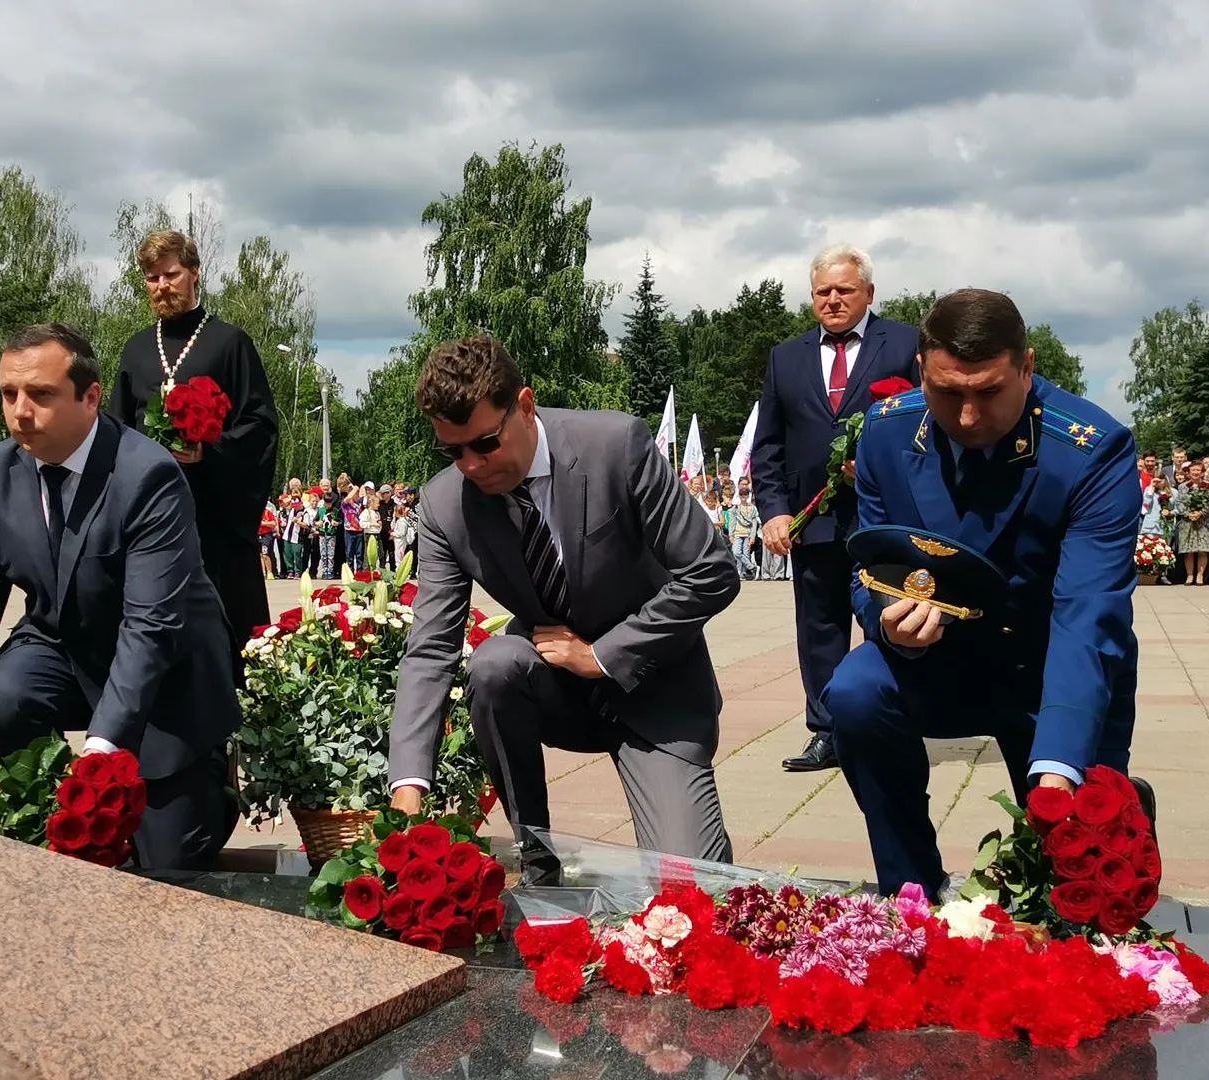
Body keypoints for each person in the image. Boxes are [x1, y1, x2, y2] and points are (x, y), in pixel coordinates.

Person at [821, 288, 1147, 895]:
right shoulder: (887, 436)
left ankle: (1104, 800)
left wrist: (1059, 768)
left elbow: (1088, 615)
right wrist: (888, 619)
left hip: (1050, 669)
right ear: (921, 371)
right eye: (948, 393)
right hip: (938, 663)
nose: (968, 417)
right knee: (857, 691)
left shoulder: (1090, 451)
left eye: (989, 392)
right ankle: (910, 888)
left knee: (1079, 893)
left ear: (1027, 367)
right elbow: (870, 565)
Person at [386, 336, 742, 874]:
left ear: (525, 406)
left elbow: (712, 571)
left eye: (484, 443)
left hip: (657, 693)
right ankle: (536, 851)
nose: (471, 466)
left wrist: (600, 656)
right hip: (552, 691)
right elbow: (431, 647)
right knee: (493, 664)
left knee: (692, 894)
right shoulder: (443, 507)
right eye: (451, 451)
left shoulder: (617, 445)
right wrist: (408, 782)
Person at [0, 323, 241, 870]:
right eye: (8, 394)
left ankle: (207, 779)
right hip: (60, 646)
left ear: (90, 398)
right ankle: (44, 809)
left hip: (166, 677)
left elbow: (150, 628)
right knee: (3, 699)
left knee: (166, 862)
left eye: (41, 395)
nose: (20, 411)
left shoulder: (147, 474)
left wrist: (100, 757)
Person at [750, 245, 920, 774]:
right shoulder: (786, 357)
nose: (833, 299)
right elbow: (768, 445)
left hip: (882, 517)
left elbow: (925, 426)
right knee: (818, 628)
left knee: (886, 619)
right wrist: (774, 511)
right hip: (812, 519)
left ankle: (888, 722)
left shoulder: (907, 344)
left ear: (869, 293)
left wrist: (879, 463)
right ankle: (826, 732)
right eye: (823, 291)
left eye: (844, 290)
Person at [106, 230, 278, 682]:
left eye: (171, 274)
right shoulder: (136, 349)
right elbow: (116, 431)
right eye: (152, 278)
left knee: (225, 648)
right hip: (153, 516)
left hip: (216, 521)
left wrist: (210, 449)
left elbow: (260, 427)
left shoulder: (229, 343)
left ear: (194, 274)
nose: (162, 285)